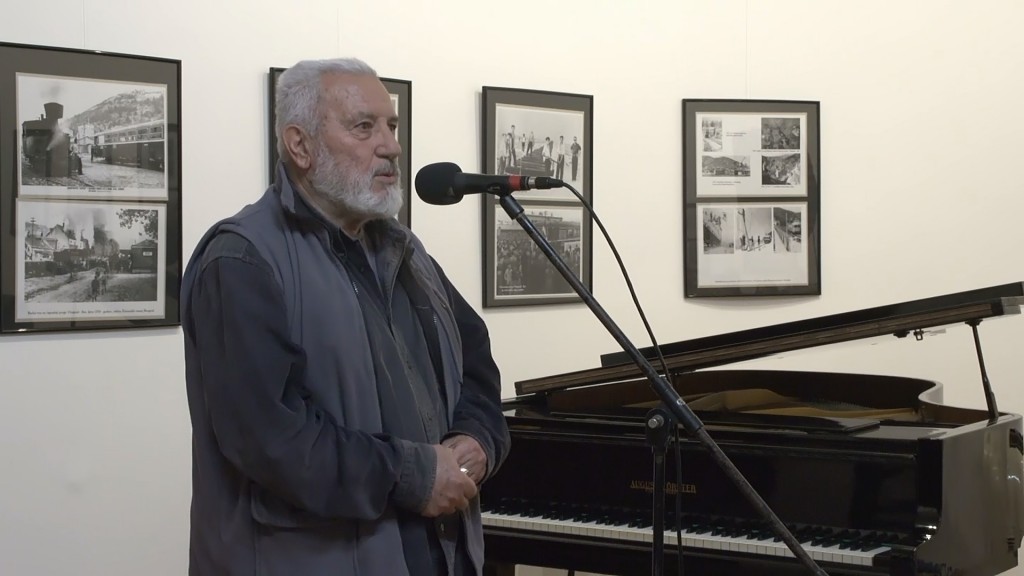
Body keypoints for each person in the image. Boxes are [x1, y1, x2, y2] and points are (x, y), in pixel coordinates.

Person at [180, 58, 510, 576]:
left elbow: (476, 368)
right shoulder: (243, 260)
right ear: (300, 146)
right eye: (364, 127)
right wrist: (413, 475)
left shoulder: (406, 252)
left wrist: (478, 439)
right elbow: (269, 437)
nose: (391, 146)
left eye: (392, 126)